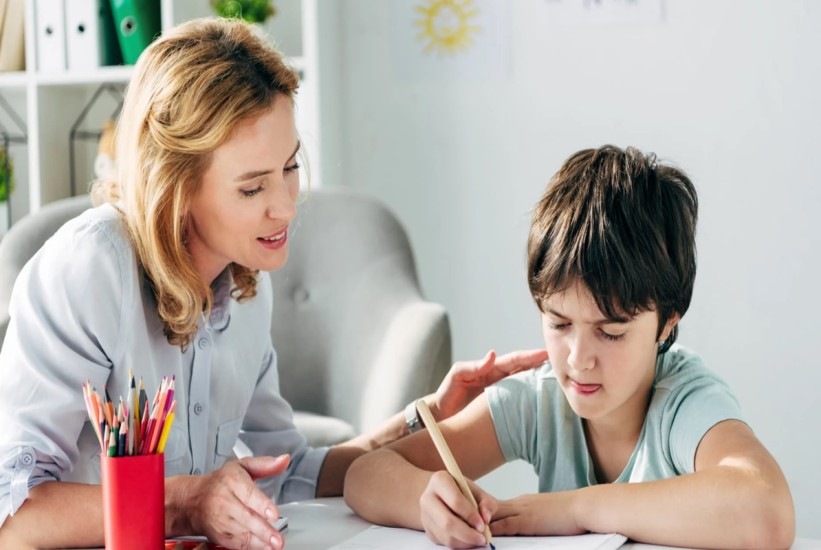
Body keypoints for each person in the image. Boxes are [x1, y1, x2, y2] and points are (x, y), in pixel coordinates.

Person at [0, 18, 548, 550]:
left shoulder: (244, 289)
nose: (286, 206)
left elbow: (287, 471)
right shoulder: (89, 269)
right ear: (175, 185)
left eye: (289, 167)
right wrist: (189, 502)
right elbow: (13, 513)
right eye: (251, 187)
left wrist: (423, 417)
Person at [343, 145, 796, 550]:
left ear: (666, 324)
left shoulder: (684, 401)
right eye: (559, 323)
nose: (579, 360)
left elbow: (767, 512)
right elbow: (363, 475)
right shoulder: (539, 400)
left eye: (611, 332)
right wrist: (425, 502)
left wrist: (576, 509)